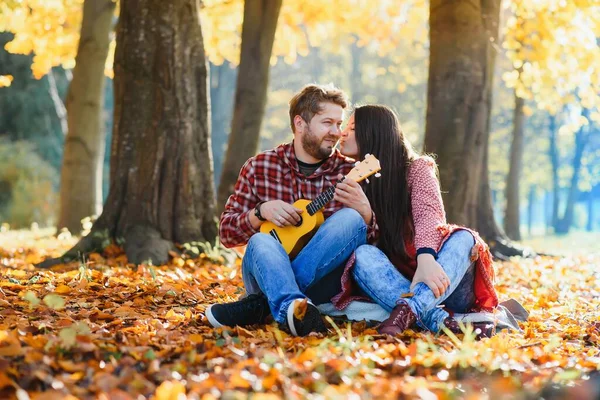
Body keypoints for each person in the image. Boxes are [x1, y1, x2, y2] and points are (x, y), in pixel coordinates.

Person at [205, 84, 378, 336]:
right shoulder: (259, 167)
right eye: (327, 123)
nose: (336, 132)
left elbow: (374, 247)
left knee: (350, 219)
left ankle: (267, 304)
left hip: (325, 283)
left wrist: (366, 214)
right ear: (300, 123)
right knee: (261, 241)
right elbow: (227, 235)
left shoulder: (350, 173)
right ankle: (292, 305)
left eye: (339, 124)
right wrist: (260, 212)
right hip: (264, 270)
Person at [331, 104, 498, 337]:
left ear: (374, 132)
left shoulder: (417, 168)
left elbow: (428, 216)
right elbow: (367, 245)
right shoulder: (353, 178)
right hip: (400, 283)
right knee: (361, 256)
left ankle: (409, 310)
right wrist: (367, 215)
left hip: (443, 278)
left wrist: (427, 258)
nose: (342, 133)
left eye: (353, 128)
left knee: (464, 238)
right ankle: (433, 318)